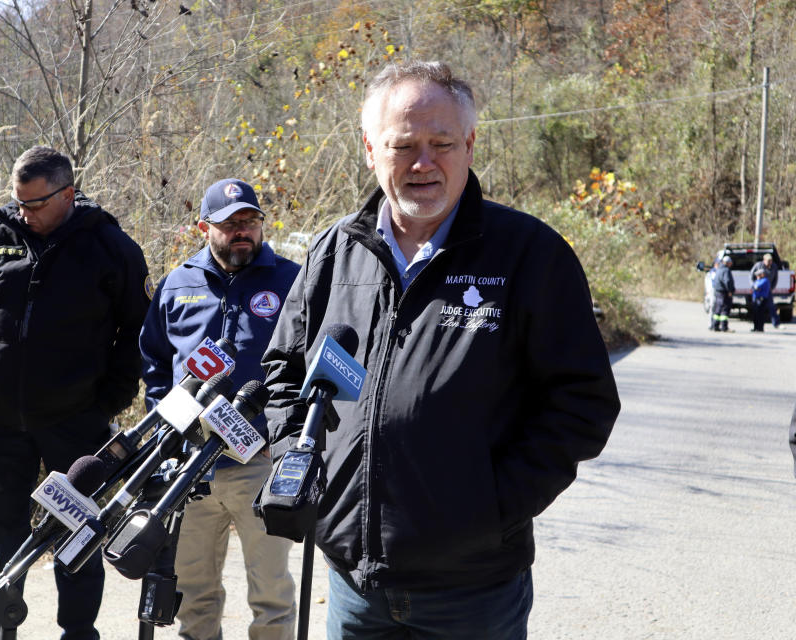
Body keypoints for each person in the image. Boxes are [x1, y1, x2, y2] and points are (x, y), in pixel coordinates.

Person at [261, 61, 621, 639]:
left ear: (471, 144)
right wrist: (300, 466)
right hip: (355, 589)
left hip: (473, 593)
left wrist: (489, 511)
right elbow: (282, 372)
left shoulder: (529, 254)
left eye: (442, 143)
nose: (424, 163)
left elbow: (582, 405)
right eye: (404, 145)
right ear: (370, 149)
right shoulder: (334, 253)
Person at [0, 146, 151, 640]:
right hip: (2, 423)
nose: (24, 213)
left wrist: (110, 400)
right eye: (18, 203)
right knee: (4, 533)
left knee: (77, 533)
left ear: (67, 193)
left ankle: (78, 632)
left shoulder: (110, 247)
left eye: (35, 204)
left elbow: (138, 332)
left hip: (77, 423)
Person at [139, 178, 299, 640]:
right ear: (204, 227)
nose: (241, 232)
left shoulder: (292, 281)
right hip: (190, 467)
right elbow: (153, 361)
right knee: (194, 594)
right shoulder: (176, 284)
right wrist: (167, 426)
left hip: (260, 461)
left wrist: (286, 439)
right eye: (229, 224)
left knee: (271, 595)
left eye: (249, 221)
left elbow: (309, 361)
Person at [750, 252, 779, 328]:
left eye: (771, 261)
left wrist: (772, 288)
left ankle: (775, 323)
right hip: (758, 291)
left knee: (771, 307)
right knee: (757, 309)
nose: (770, 262)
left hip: (768, 290)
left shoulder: (774, 267)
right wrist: (754, 285)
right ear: (764, 260)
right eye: (768, 261)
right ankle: (757, 326)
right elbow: (751, 275)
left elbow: (776, 279)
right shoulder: (758, 265)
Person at [711, 255, 735, 332]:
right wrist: (730, 291)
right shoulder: (726, 270)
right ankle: (724, 327)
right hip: (724, 293)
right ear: (727, 263)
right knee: (725, 309)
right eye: (730, 263)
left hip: (718, 292)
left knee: (717, 309)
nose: (731, 264)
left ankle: (715, 326)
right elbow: (727, 281)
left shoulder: (719, 269)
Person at [751, 267, 771, 332]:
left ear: (762, 274)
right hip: (756, 298)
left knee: (760, 313)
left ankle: (760, 328)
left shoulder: (765, 280)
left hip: (761, 299)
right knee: (755, 313)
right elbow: (753, 287)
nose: (757, 276)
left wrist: (755, 287)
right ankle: (755, 327)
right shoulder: (757, 280)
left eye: (758, 275)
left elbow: (757, 287)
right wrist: (755, 287)